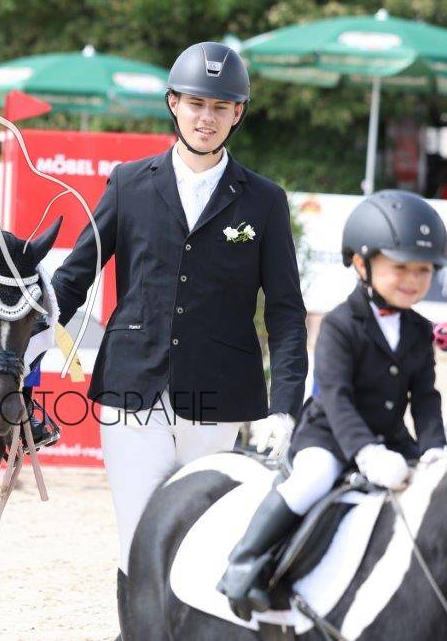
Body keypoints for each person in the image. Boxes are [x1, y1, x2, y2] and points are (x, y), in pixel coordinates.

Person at [48, 42, 309, 624]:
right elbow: (74, 277)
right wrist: (28, 341)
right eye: (195, 104)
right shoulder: (129, 183)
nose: (206, 117)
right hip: (132, 385)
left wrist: (285, 407)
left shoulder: (265, 201)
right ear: (173, 104)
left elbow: (287, 312)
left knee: (201, 531)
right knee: (140, 532)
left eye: (220, 106)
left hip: (219, 393)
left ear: (237, 113)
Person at [217, 190, 447, 620]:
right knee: (311, 480)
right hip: (329, 436)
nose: (413, 279)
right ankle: (244, 564)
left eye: (423, 269)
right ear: (361, 263)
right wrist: (367, 453)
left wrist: (435, 447)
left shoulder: (420, 329)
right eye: (400, 267)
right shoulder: (341, 324)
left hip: (390, 439)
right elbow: (336, 397)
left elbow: (426, 397)